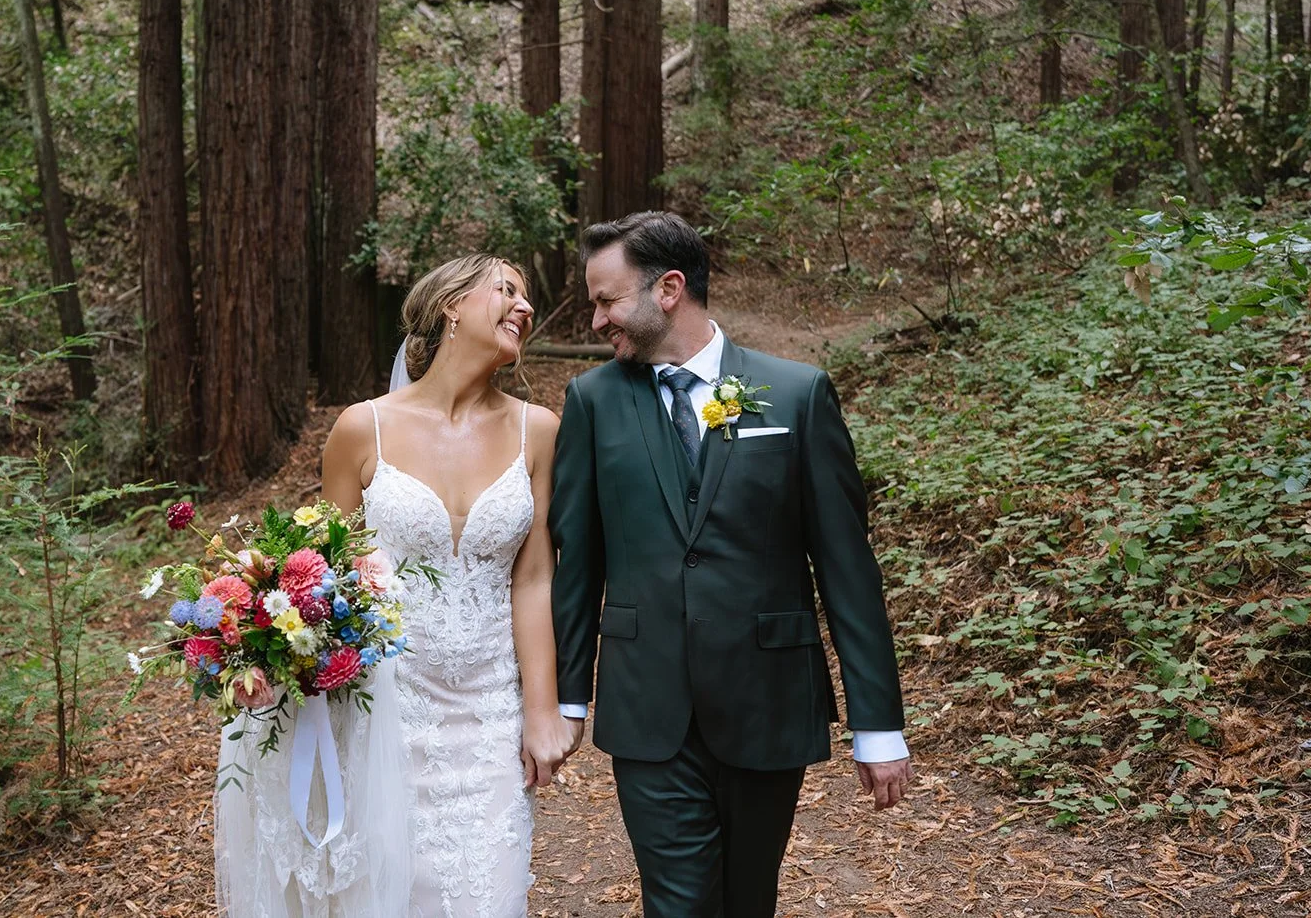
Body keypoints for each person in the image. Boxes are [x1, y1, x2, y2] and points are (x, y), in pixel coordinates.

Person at [550, 211, 914, 918]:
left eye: (605, 299)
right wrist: (568, 696)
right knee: (679, 903)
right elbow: (577, 560)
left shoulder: (796, 393)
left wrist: (878, 722)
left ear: (669, 289)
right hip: (648, 702)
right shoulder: (592, 401)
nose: (595, 321)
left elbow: (846, 567)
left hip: (767, 697)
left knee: (749, 900)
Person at [214, 254, 577, 917]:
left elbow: (532, 576)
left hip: (490, 708)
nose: (524, 306)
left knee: (489, 896)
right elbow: (323, 576)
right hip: (385, 710)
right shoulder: (362, 428)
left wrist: (542, 706)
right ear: (451, 306)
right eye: (507, 289)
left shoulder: (540, 430)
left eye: (528, 297)